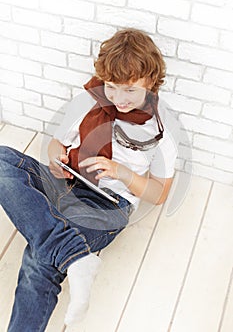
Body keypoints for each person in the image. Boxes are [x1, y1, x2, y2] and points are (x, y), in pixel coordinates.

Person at [0, 28, 177, 331]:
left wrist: (121, 172)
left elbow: (158, 194)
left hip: (106, 205)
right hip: (67, 182)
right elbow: (57, 144)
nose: (119, 98)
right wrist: (57, 160)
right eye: (111, 87)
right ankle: (73, 253)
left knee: (40, 257)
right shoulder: (88, 102)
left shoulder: (160, 131)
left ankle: (61, 247)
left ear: (151, 83)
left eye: (130, 90)